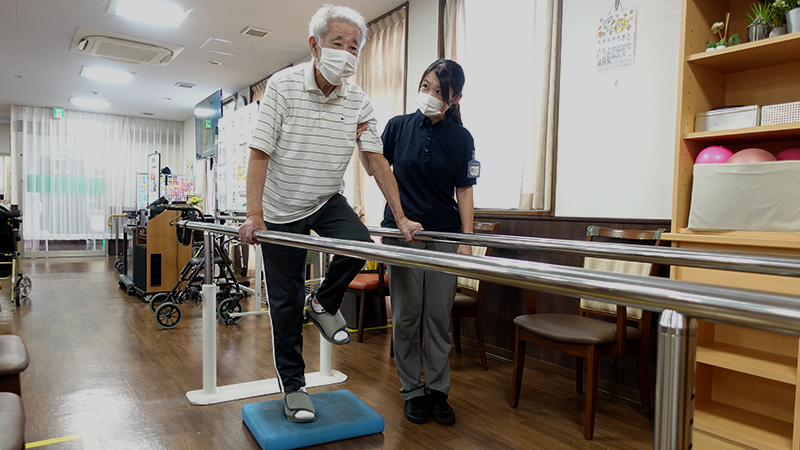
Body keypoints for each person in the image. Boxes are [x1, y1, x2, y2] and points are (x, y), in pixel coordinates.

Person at [238, 5, 420, 423]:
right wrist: (254, 214)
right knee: (285, 305)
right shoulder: (282, 86)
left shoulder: (358, 100)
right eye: (338, 42)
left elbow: (376, 162)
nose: (346, 52)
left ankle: (322, 302)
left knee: (359, 244)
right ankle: (294, 388)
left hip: (324, 199)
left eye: (354, 46)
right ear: (315, 45)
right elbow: (259, 153)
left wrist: (402, 217)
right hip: (280, 208)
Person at [379, 59, 477, 426]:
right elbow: (377, 169)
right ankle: (411, 390)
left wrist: (466, 239)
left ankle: (437, 390)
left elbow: (464, 190)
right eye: (426, 86)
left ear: (455, 99)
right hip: (402, 233)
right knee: (406, 316)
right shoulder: (397, 127)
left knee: (437, 316)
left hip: (443, 235)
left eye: (439, 92)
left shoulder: (462, 138)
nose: (430, 95)